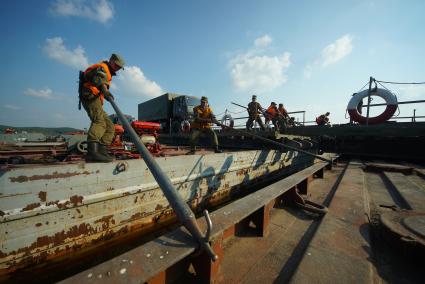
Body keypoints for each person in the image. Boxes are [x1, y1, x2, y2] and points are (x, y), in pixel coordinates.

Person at [79, 53, 125, 162]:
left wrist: (106, 92)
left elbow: (102, 81)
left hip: (96, 100)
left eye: (119, 67)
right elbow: (100, 80)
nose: (118, 68)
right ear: (111, 61)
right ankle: (92, 153)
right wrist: (106, 92)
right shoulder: (103, 67)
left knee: (110, 127)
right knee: (99, 122)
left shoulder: (108, 71)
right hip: (90, 97)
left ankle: (101, 151)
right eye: (117, 65)